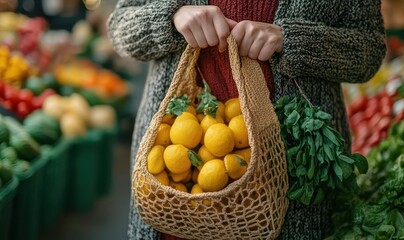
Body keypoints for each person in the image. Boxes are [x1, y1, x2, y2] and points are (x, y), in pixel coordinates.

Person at [107, 1, 386, 239]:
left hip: (293, 179)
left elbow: (368, 50)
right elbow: (119, 26)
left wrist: (292, 40)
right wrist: (171, 17)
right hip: (177, 180)